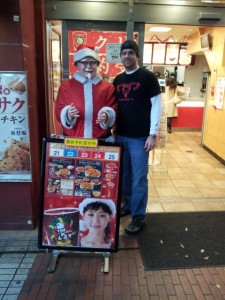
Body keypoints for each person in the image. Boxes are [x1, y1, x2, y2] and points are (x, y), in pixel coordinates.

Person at [113, 40, 162, 234]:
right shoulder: (117, 79)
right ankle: (129, 205)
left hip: (140, 138)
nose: (127, 56)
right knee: (124, 175)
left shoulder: (148, 77)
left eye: (130, 53)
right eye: (124, 53)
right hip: (120, 136)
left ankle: (139, 216)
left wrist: (152, 134)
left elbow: (157, 106)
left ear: (137, 55)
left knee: (139, 177)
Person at [55, 44, 117, 139]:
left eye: (92, 62)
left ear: (97, 64)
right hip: (74, 141)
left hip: (100, 141)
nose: (89, 66)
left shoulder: (108, 87)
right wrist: (67, 113)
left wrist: (107, 115)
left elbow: (113, 108)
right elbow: (59, 110)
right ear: (76, 64)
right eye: (84, 62)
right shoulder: (66, 86)